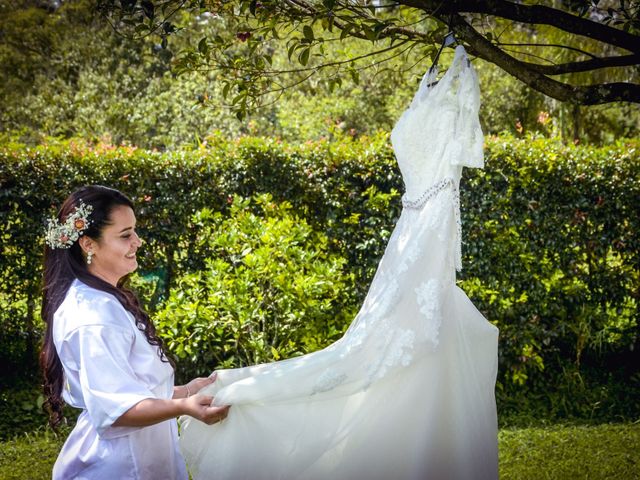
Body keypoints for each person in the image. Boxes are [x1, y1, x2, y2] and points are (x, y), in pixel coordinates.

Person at [179, 44, 499, 479]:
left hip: (427, 229)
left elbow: (454, 179)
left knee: (405, 372)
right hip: (408, 228)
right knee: (362, 354)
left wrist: (429, 271)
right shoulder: (430, 77)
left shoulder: (462, 76)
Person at [40, 185, 230, 480]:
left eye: (135, 232)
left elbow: (132, 389)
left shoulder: (104, 299)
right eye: (126, 234)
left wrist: (191, 390)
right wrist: (184, 406)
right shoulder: (92, 316)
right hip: (118, 466)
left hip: (142, 455)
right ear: (88, 244)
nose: (138, 242)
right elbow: (116, 410)